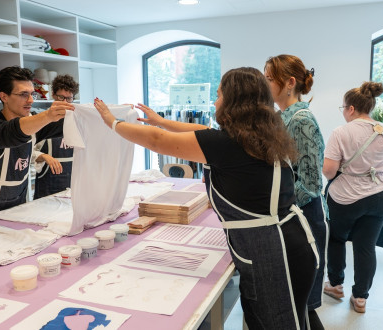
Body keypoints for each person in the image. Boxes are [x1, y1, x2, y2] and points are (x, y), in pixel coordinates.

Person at [94, 67, 317, 329]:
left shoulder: (228, 144)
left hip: (274, 253)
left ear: (234, 101)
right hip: (292, 243)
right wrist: (161, 120)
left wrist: (113, 122)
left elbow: (157, 141)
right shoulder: (261, 133)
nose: (215, 101)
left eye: (219, 95)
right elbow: (201, 130)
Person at [264, 54, 327, 329]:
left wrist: (278, 205)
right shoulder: (281, 117)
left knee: (303, 310)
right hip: (292, 217)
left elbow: (311, 183)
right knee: (294, 307)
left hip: (305, 220)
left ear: (289, 83)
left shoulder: (301, 120)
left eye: (269, 79)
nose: (265, 85)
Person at [0, 66, 75, 219]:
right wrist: (47, 116)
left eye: (32, 94)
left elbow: (67, 126)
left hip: (19, 205)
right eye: (23, 94)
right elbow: (14, 131)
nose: (30, 100)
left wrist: (107, 119)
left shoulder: (35, 123)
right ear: (4, 97)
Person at [322, 81, 383, 313]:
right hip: (380, 196)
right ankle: (360, 299)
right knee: (366, 247)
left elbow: (329, 171)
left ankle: (335, 284)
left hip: (345, 199)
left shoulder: (340, 132)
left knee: (337, 239)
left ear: (351, 108)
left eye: (343, 108)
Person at [33, 74, 79, 199]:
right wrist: (43, 156)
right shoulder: (41, 121)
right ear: (53, 94)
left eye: (69, 98)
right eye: (61, 97)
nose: (65, 102)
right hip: (47, 188)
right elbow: (26, 151)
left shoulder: (78, 121)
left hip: (72, 186)